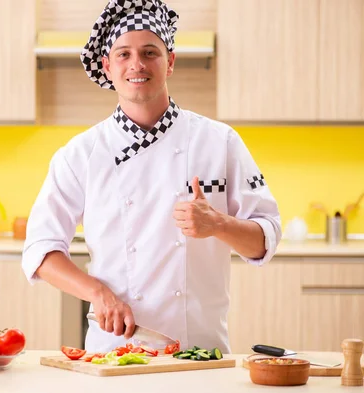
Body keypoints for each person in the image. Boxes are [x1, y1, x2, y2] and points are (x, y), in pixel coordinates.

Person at [21, 0, 281, 354]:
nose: (137, 65)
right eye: (124, 54)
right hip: (114, 351)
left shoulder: (220, 142)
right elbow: (40, 249)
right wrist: (98, 294)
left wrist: (218, 224)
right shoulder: (80, 154)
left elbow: (266, 239)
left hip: (200, 353)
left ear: (170, 61)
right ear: (107, 66)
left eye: (150, 52)